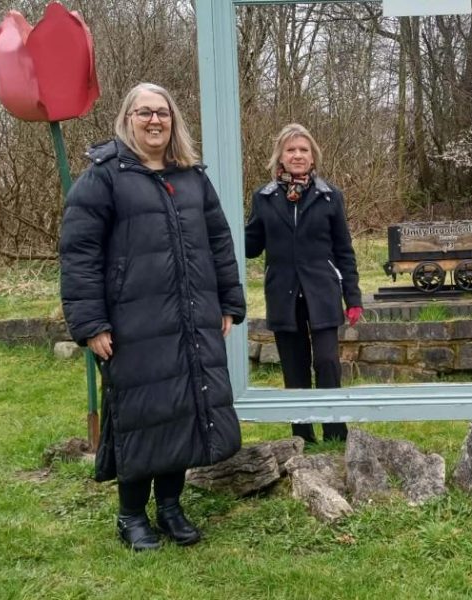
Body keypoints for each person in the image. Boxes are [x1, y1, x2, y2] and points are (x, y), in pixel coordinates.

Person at [60, 82, 245, 551]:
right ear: (127, 118)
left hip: (192, 317)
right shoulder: (102, 178)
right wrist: (91, 323)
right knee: (139, 414)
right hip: (132, 324)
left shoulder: (191, 177)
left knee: (183, 409)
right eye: (144, 113)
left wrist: (228, 301)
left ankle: (170, 507)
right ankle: (130, 516)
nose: (155, 121)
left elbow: (219, 244)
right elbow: (79, 255)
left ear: (173, 120)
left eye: (162, 113)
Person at [245, 123, 362, 444]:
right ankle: (303, 437)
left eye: (303, 150)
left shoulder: (329, 197)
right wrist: (220, 227)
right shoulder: (264, 198)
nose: (297, 155)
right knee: (294, 369)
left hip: (322, 292)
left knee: (326, 361)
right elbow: (250, 245)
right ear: (280, 157)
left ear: (313, 158)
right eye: (291, 150)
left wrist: (353, 297)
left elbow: (344, 250)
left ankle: (336, 433)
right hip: (283, 293)